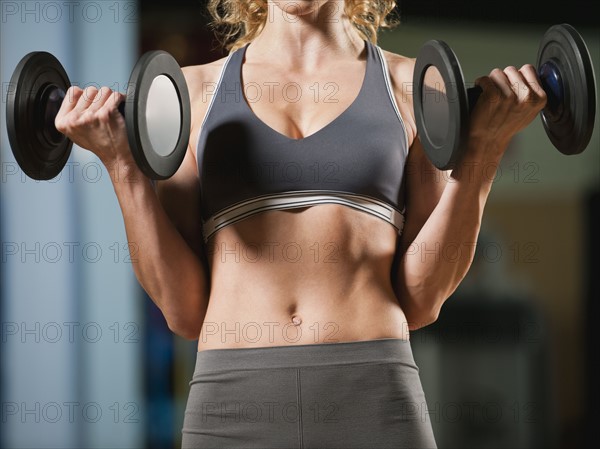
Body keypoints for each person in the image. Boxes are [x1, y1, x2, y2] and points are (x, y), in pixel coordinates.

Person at [55, 0, 547, 447]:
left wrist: (483, 152)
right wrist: (123, 167)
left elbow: (422, 298)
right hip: (232, 401)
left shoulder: (415, 87)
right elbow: (184, 311)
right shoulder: (190, 92)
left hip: (372, 391)